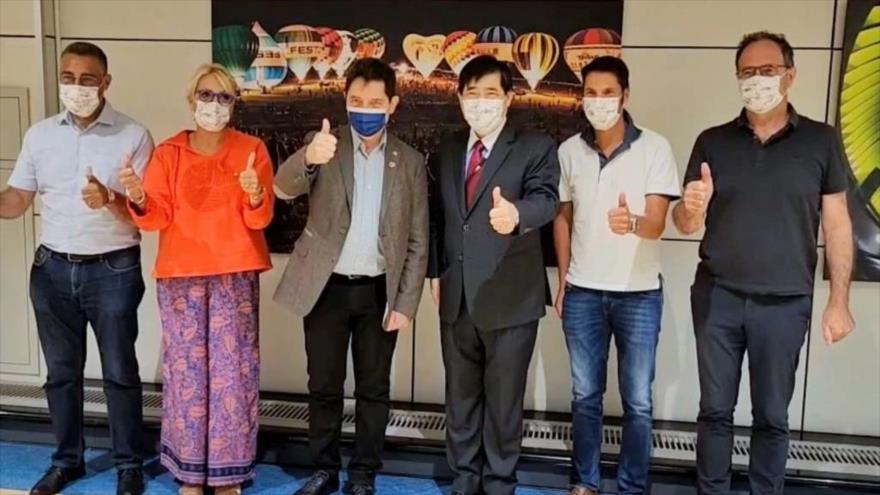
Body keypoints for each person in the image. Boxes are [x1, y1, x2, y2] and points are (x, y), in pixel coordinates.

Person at [672, 32, 855, 494]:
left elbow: (836, 224)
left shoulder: (821, 140)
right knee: (714, 411)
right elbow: (684, 220)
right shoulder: (712, 141)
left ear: (790, 75)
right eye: (747, 72)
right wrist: (691, 206)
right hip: (718, 297)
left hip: (785, 302)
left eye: (767, 70)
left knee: (772, 416)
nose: (757, 80)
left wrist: (839, 301)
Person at [0, 42, 152, 495]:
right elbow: (17, 200)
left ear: (106, 83)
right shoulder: (40, 135)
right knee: (61, 374)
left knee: (120, 373)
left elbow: (147, 213)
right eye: (68, 77)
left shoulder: (133, 135)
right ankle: (67, 461)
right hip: (50, 270)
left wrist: (110, 199)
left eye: (88, 79)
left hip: (113, 270)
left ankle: (129, 465)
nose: (77, 87)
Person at [273, 58, 428, 495]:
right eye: (356, 100)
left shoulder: (411, 161)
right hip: (326, 289)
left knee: (374, 390)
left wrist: (406, 302)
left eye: (375, 102)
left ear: (392, 104)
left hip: (380, 292)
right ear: (345, 101)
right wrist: (307, 157)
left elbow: (419, 240)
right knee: (323, 385)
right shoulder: (325, 145)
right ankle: (323, 469)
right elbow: (282, 188)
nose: (365, 109)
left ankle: (363, 474)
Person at [121, 63, 274, 495]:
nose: (214, 104)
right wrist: (135, 194)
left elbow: (260, 218)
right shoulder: (169, 153)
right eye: (206, 95)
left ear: (233, 105)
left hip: (234, 274)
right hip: (182, 277)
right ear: (192, 101)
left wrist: (255, 192)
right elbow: (157, 217)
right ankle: (190, 472)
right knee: (188, 374)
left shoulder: (252, 150)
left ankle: (229, 474)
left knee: (234, 373)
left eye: (224, 97)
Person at [427, 55, 559, 495]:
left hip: (510, 298)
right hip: (457, 297)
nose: (479, 103)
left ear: (508, 98)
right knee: (460, 401)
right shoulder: (447, 150)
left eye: (490, 93)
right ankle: (464, 481)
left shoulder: (535, 147)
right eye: (472, 94)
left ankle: (500, 484)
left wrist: (516, 214)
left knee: (503, 406)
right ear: (460, 98)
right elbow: (438, 218)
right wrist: (433, 273)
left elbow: (547, 200)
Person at [554, 56, 680, 495]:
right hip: (584, 291)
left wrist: (634, 223)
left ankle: (632, 486)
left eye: (609, 93)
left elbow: (660, 222)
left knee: (638, 402)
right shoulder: (569, 151)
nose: (600, 101)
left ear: (626, 97)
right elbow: (563, 218)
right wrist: (563, 280)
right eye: (591, 93)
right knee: (585, 396)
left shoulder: (655, 148)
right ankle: (585, 482)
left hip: (639, 295)